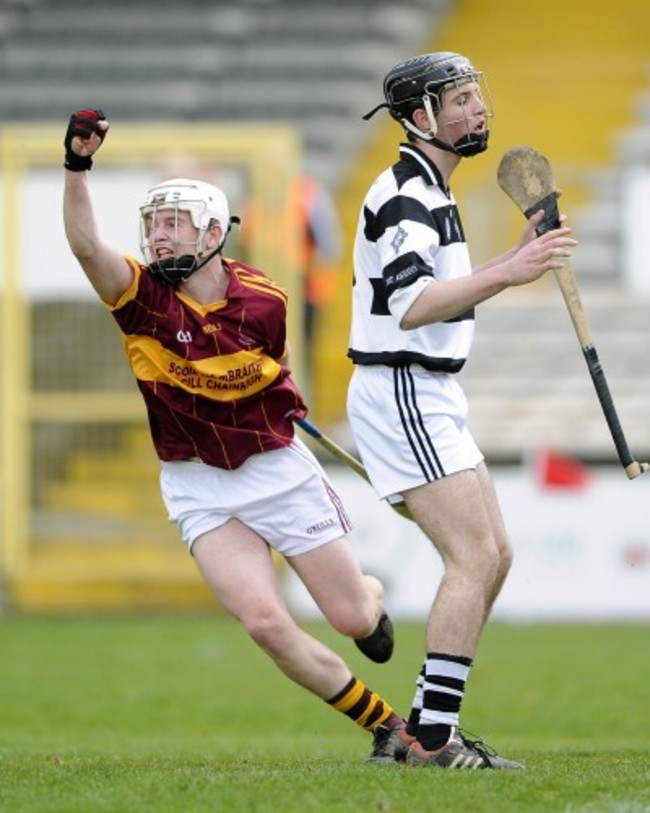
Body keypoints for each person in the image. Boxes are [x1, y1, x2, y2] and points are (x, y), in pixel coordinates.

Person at [61, 109, 403, 758]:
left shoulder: (265, 300)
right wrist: (78, 165)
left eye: (174, 223)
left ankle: (370, 594)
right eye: (153, 225)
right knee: (267, 622)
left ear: (214, 231)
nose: (159, 238)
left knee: (354, 618)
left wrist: (267, 395)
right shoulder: (138, 299)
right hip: (197, 483)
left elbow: (274, 368)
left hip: (274, 467)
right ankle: (388, 727)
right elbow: (84, 245)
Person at [346, 53, 578, 769]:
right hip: (404, 384)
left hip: (431, 389)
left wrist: (513, 258)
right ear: (419, 116)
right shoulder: (405, 194)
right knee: (473, 555)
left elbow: (443, 294)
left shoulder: (434, 191)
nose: (478, 109)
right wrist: (512, 271)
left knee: (495, 554)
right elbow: (413, 307)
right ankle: (433, 740)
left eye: (478, 95)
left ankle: (422, 728)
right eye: (460, 99)